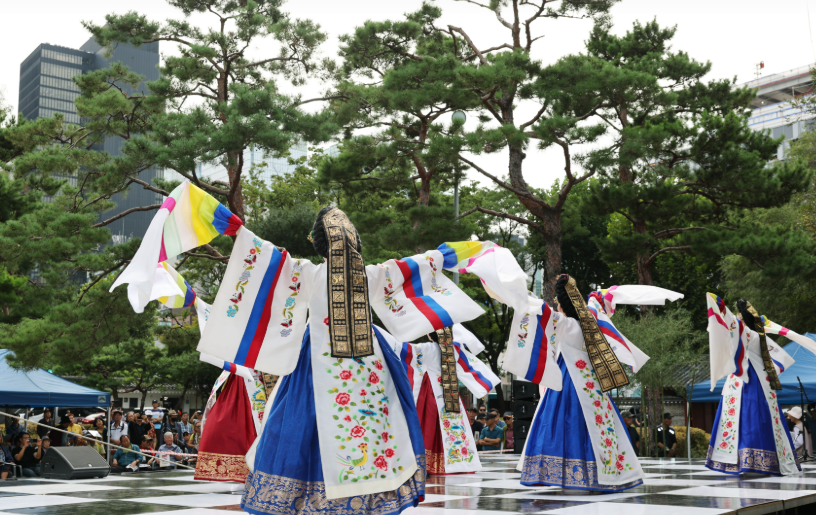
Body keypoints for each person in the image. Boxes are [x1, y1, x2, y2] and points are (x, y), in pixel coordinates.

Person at [115, 199, 496, 512]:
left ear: (316, 243)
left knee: (301, 427)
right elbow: (428, 260)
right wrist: (463, 252)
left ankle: (307, 494)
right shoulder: (376, 274)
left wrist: (234, 228)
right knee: (377, 424)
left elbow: (265, 257)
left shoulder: (308, 272)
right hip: (371, 364)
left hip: (316, 360)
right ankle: (361, 494)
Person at [457, 253, 679, 491]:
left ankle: (563, 472)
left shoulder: (567, 324)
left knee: (561, 424)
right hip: (593, 385)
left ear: (563, 306)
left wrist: (514, 288)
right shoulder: (592, 321)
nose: (556, 306)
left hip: (568, 381)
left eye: (558, 303)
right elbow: (600, 300)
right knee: (598, 426)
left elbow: (537, 311)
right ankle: (604, 472)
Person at [704, 295, 811, 476]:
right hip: (760, 382)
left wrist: (720, 307)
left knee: (747, 417)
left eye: (739, 317)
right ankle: (764, 460)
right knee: (762, 418)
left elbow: (730, 323)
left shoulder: (748, 334)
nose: (737, 320)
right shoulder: (759, 336)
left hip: (747, 381)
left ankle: (748, 461)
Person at [389, 325, 499, 474]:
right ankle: (459, 462)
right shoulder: (454, 349)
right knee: (453, 425)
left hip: (431, 389)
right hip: (451, 390)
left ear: (430, 335)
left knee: (429, 424)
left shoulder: (427, 348)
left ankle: (427, 463)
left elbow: (405, 352)